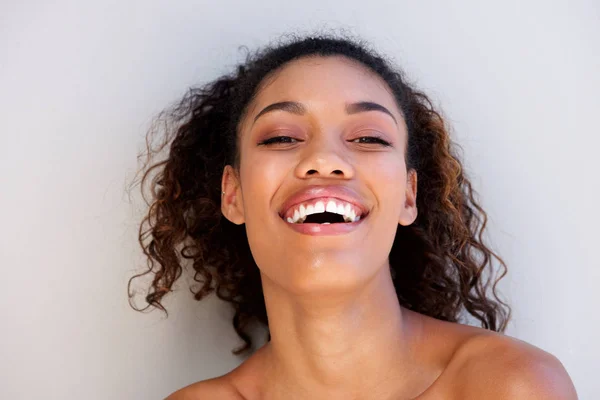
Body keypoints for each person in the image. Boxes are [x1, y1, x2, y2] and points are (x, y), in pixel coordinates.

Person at [128, 33, 578, 399]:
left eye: (368, 138)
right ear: (233, 194)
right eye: (282, 137)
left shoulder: (512, 385)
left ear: (408, 195)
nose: (324, 159)